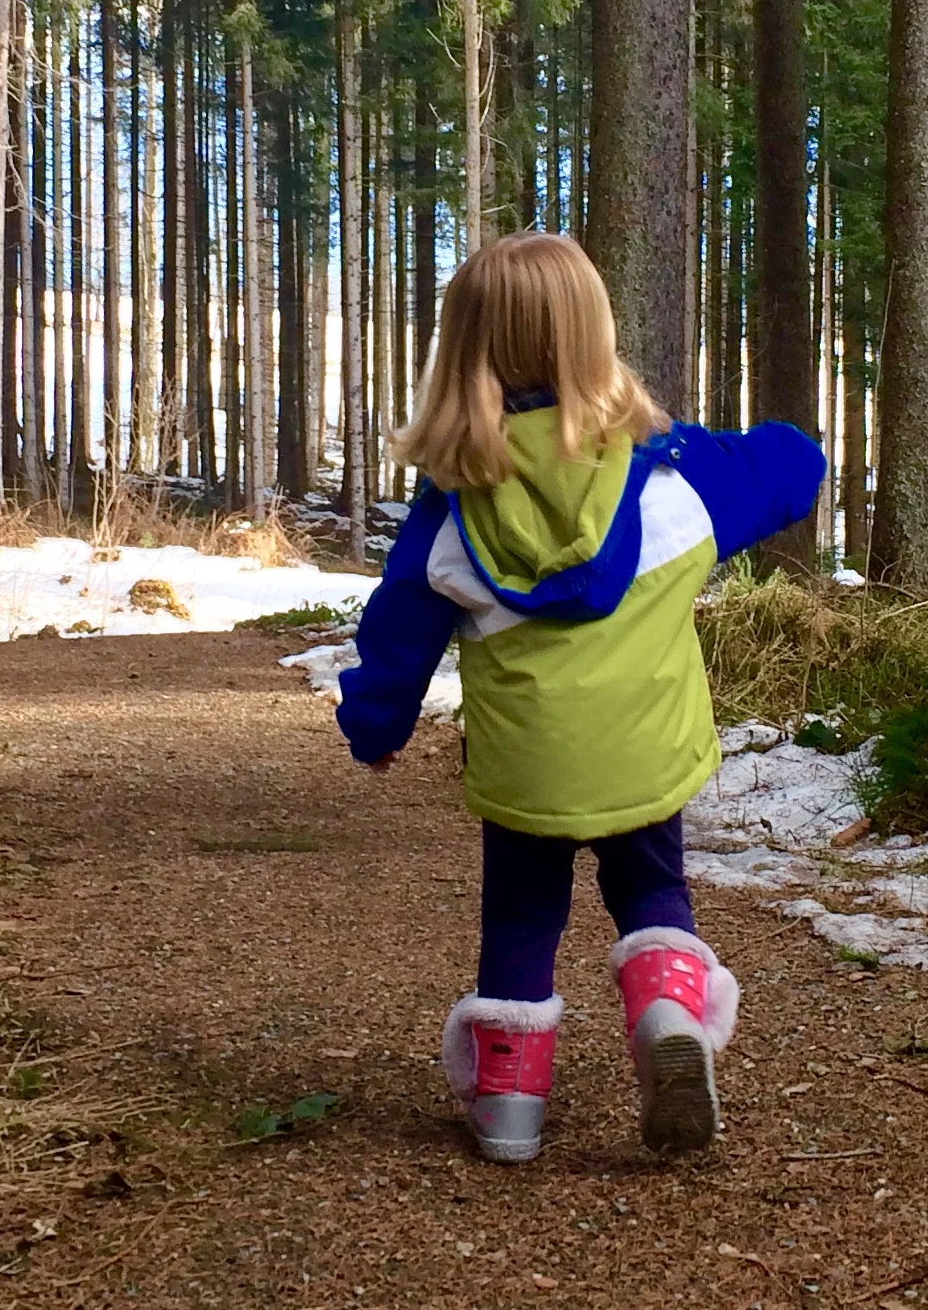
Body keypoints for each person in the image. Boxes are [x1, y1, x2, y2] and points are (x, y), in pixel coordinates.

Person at [335, 230, 825, 1164]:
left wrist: (373, 726)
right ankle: (671, 1014)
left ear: (463, 351)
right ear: (594, 340)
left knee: (522, 913)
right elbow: (794, 464)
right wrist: (733, 439)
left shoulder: (452, 507)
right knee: (652, 885)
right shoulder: (673, 476)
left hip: (530, 771)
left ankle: (509, 1110)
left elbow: (397, 638)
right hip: (645, 753)